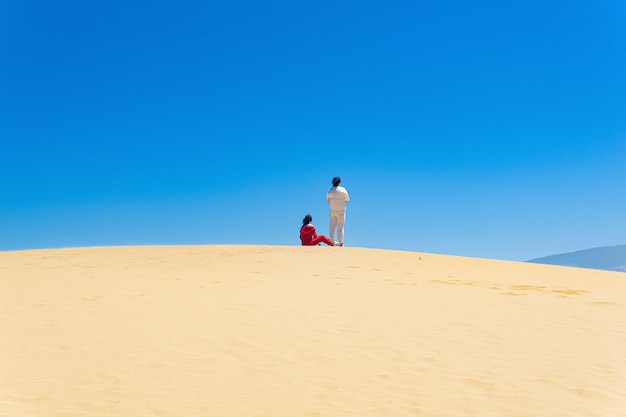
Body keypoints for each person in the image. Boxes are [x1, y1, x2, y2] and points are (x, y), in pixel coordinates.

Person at [326, 176, 350, 246]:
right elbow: (347, 199)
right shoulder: (342, 190)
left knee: (332, 227)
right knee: (340, 228)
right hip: (341, 211)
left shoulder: (329, 191)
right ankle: (341, 243)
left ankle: (332, 242)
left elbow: (328, 201)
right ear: (339, 182)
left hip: (332, 211)